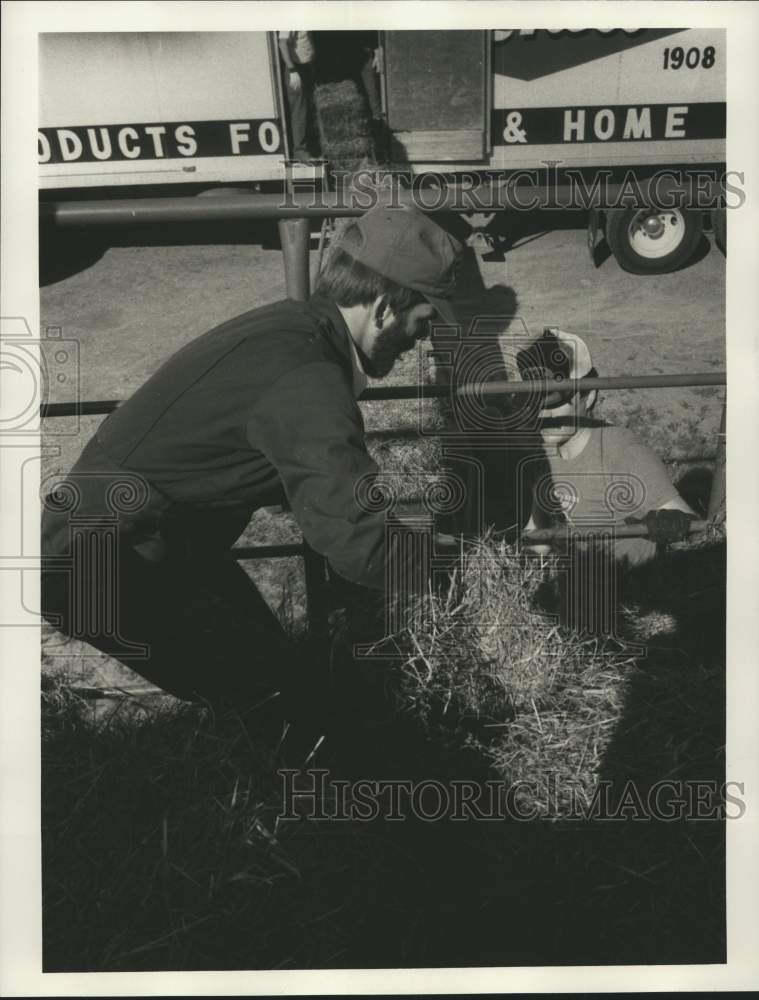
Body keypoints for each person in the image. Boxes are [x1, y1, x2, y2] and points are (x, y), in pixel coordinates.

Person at [41, 204, 463, 742]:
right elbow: (357, 540)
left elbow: (319, 487)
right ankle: (290, 813)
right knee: (280, 699)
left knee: (271, 677)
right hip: (103, 560)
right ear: (383, 308)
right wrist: (447, 577)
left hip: (148, 538)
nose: (421, 340)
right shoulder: (309, 380)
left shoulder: (294, 329)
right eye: (422, 322)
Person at [515, 328, 696, 568]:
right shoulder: (545, 451)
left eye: (553, 401)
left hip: (630, 592)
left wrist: (671, 524)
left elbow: (696, 530)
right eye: (533, 400)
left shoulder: (623, 455)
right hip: (579, 581)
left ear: (588, 396)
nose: (541, 414)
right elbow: (538, 532)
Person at [278, 30, 317, 161]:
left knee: (308, 107)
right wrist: (292, 70)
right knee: (299, 110)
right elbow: (282, 43)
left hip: (306, 66)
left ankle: (309, 147)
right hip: (296, 68)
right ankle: (300, 151)